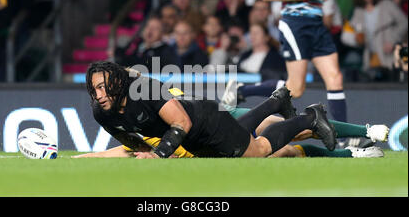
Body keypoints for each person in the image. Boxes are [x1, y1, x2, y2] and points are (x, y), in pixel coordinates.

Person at [79, 61, 338, 160]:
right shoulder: (102, 111)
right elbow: (129, 140)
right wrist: (145, 152)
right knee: (235, 151)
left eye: (104, 87)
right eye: (95, 90)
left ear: (119, 83)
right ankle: (275, 102)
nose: (100, 95)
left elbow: (181, 123)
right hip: (192, 141)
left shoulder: (147, 89)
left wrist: (159, 155)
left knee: (257, 151)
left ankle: (310, 117)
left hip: (204, 122)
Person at [72, 94, 388, 159]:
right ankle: (356, 152)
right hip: (212, 124)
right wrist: (75, 160)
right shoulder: (144, 137)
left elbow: (177, 108)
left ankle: (365, 133)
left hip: (210, 122)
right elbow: (115, 153)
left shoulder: (156, 126)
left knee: (283, 135)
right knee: (285, 142)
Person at [262, 0, 348, 123]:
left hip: (317, 24)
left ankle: (345, 138)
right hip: (295, 24)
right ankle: (242, 91)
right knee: (295, 88)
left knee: (335, 78)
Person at [340, 0, 408, 81]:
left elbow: (404, 23)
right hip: (369, 63)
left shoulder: (387, 5)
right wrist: (355, 40)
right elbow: (346, 35)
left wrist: (392, 39)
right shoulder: (359, 11)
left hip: (389, 61)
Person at [114, 16, 179, 73]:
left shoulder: (166, 50)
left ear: (162, 33)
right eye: (148, 26)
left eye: (155, 28)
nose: (150, 30)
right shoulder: (136, 46)